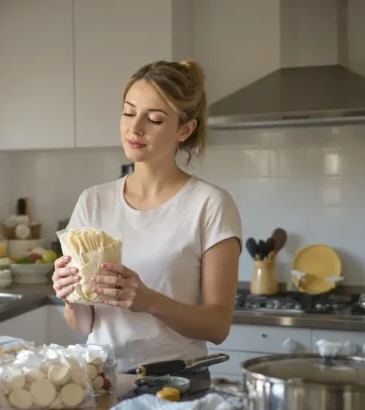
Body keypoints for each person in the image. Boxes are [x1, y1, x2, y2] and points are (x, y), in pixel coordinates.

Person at [51, 60, 242, 372]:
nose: (134, 128)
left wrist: (148, 300)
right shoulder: (93, 201)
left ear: (185, 129)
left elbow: (218, 326)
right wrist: (71, 297)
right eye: (128, 112)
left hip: (177, 382)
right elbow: (84, 325)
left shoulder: (210, 205)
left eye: (153, 119)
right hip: (103, 378)